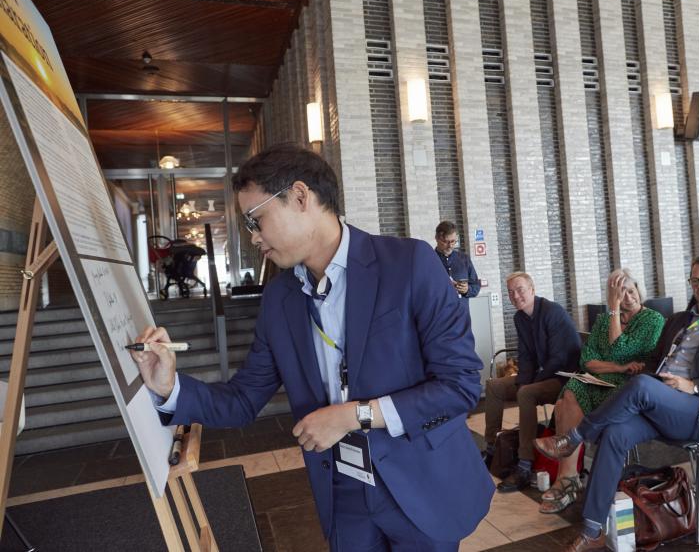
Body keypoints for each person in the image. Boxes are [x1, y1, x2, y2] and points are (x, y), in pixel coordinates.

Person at [131, 144, 494, 551]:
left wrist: (353, 416)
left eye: (257, 219)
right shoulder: (279, 299)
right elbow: (242, 399)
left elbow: (460, 384)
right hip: (343, 494)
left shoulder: (409, 263)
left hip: (422, 485)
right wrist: (168, 387)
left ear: (301, 197)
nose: (254, 239)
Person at [535, 255, 699, 552]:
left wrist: (693, 385)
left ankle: (574, 437)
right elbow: (654, 363)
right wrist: (643, 380)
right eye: (696, 280)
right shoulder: (679, 320)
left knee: (641, 385)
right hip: (659, 401)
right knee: (615, 432)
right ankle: (593, 529)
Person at [536, 269, 664, 514]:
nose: (628, 296)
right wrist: (620, 366)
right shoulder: (604, 321)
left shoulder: (652, 319)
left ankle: (568, 479)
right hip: (601, 380)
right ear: (611, 295)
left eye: (631, 289)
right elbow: (588, 361)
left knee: (564, 405)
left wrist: (614, 310)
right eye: (620, 292)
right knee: (571, 390)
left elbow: (617, 348)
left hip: (630, 390)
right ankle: (569, 477)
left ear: (639, 289)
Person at [482, 272, 581, 492]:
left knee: (526, 393)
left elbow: (558, 359)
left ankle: (524, 464)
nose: (515, 296)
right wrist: (524, 381)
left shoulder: (551, 312)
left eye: (520, 290)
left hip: (564, 377)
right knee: (495, 386)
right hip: (542, 374)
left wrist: (529, 384)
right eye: (511, 292)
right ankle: (491, 449)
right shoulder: (520, 318)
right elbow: (525, 355)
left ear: (532, 289)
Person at [434, 220, 480, 298]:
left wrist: (467, 289)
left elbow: (476, 285)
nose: (450, 245)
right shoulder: (429, 260)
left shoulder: (464, 259)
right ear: (437, 238)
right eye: (446, 242)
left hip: (461, 309)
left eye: (453, 241)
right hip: (439, 309)